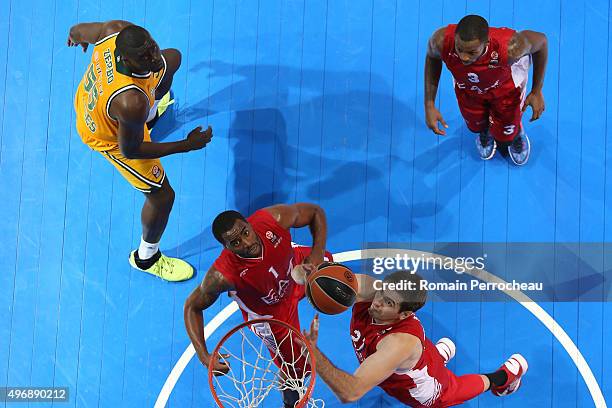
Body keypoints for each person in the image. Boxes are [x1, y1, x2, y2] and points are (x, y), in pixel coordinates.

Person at [70, 20, 213, 281]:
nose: (153, 57)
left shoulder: (114, 30)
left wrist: (74, 37)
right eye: (144, 56)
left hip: (117, 109)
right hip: (107, 134)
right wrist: (186, 145)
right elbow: (132, 150)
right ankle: (147, 258)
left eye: (152, 47)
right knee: (163, 197)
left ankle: (147, 117)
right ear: (125, 58)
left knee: (173, 59)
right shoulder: (130, 101)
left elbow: (78, 31)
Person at [302, 271, 528, 406]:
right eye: (382, 292)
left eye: (389, 302)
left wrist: (313, 351)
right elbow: (335, 278)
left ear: (405, 314)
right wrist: (310, 276)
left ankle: (502, 378)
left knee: (452, 389)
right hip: (415, 355)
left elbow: (350, 392)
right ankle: (437, 357)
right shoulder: (373, 292)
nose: (377, 302)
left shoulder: (398, 343)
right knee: (422, 356)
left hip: (423, 389)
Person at [184, 203, 332, 408]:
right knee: (297, 367)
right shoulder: (222, 276)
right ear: (227, 248)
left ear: (249, 224)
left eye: (246, 232)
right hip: (272, 318)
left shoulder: (274, 219)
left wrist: (317, 254)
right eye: (235, 242)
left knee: (331, 271)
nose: (246, 242)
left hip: (292, 272)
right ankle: (291, 401)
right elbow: (192, 307)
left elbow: (316, 212)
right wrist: (203, 355)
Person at [424, 14, 548, 165]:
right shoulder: (441, 40)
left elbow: (541, 42)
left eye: (471, 52)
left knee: (506, 138)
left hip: (505, 91)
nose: (464, 57)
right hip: (469, 91)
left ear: (486, 43)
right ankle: (486, 130)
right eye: (459, 49)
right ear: (455, 38)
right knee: (476, 127)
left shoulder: (510, 47)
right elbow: (432, 57)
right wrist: (429, 104)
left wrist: (536, 90)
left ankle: (515, 133)